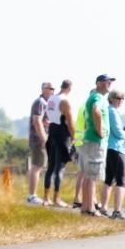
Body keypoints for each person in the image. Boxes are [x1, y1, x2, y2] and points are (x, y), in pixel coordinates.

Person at [79, 74, 114, 217]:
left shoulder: (94, 97)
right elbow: (96, 111)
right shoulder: (98, 98)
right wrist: (100, 131)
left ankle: (86, 207)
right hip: (95, 141)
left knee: (88, 175)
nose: (109, 84)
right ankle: (91, 208)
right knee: (93, 175)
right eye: (107, 82)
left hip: (89, 139)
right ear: (99, 83)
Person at [43, 79, 74, 207]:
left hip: (52, 131)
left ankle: (46, 198)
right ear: (70, 88)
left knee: (50, 167)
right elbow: (70, 121)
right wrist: (74, 136)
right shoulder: (64, 100)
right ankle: (57, 198)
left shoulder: (51, 99)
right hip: (62, 133)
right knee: (60, 168)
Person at [100, 89, 125, 220]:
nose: (120, 101)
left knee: (109, 179)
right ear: (111, 98)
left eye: (122, 98)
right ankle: (117, 211)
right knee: (121, 180)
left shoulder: (109, 110)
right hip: (117, 148)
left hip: (110, 148)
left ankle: (104, 207)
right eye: (118, 98)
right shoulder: (112, 111)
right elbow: (118, 132)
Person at [26, 81, 53, 205]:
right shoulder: (40, 102)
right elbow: (37, 120)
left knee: (38, 166)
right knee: (37, 166)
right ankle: (32, 196)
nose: (52, 91)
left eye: (53, 89)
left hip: (40, 139)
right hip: (39, 140)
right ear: (43, 89)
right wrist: (44, 139)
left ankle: (33, 195)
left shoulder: (45, 103)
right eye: (49, 88)